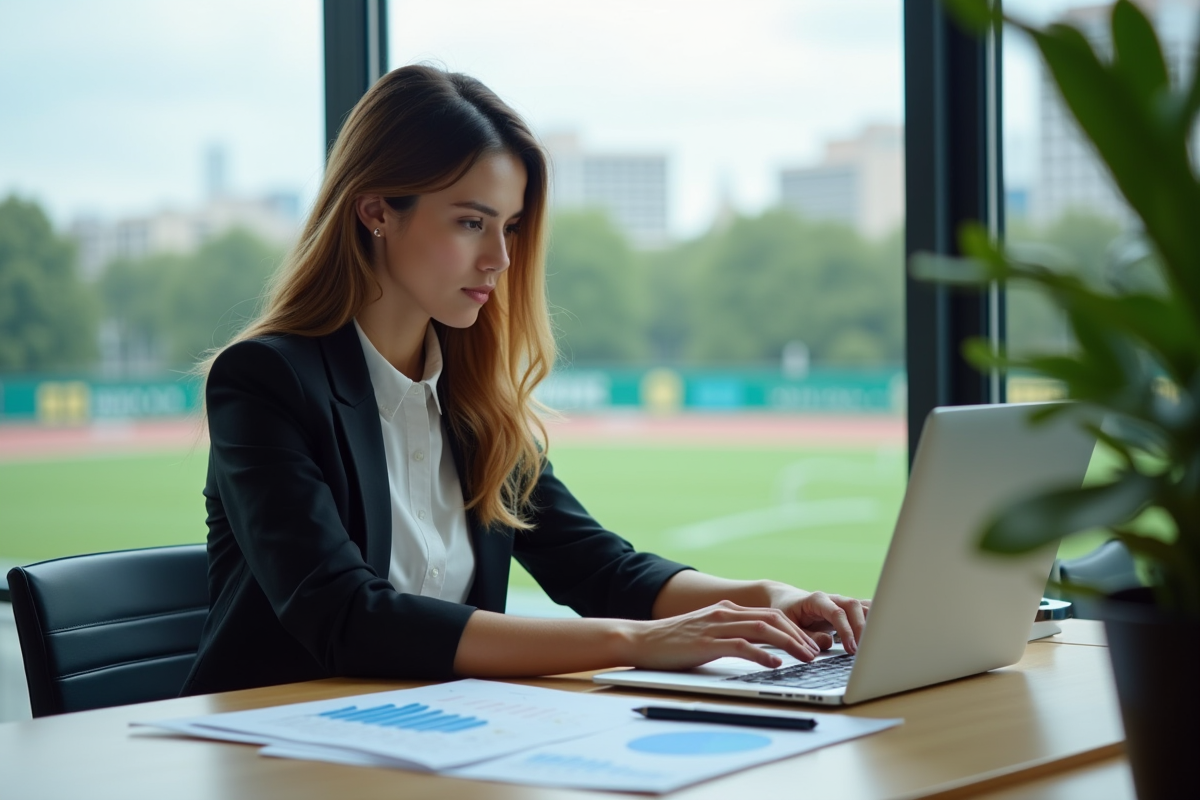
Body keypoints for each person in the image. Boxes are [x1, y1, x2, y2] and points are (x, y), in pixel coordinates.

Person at [181, 65, 869, 697]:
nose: (500, 258)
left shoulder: (473, 400)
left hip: (435, 740)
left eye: (509, 227)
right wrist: (634, 642)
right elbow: (346, 617)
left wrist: (771, 597)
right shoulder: (265, 381)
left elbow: (600, 569)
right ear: (377, 211)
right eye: (471, 222)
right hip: (274, 745)